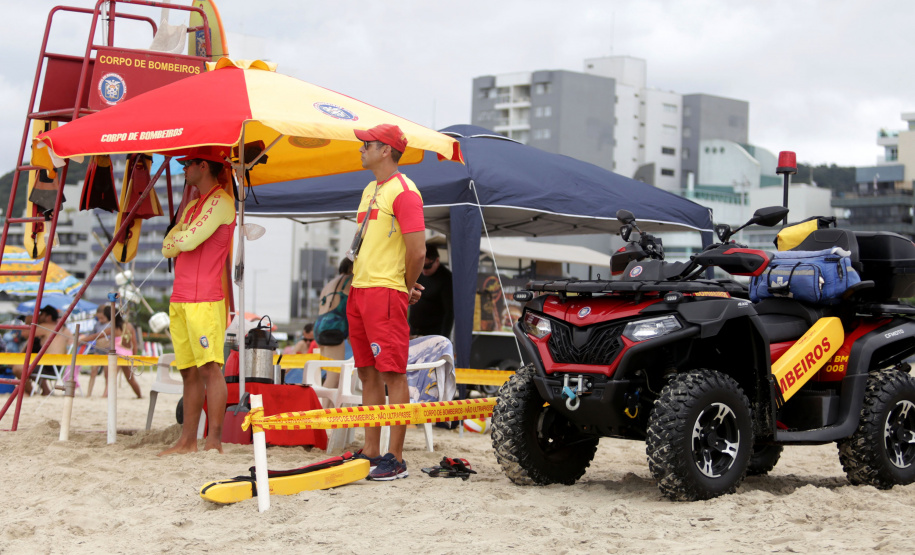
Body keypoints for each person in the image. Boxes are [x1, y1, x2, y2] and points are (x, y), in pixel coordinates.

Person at [347, 123, 425, 481]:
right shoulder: (370, 189)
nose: (361, 147)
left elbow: (418, 251)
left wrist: (404, 286)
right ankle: (371, 450)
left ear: (386, 151)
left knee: (392, 373)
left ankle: (395, 457)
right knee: (366, 371)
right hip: (360, 288)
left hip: (385, 290)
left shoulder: (406, 192)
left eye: (368, 143)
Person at [158, 145, 236, 456]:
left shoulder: (221, 201)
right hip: (180, 297)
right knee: (188, 371)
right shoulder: (192, 206)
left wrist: (180, 239)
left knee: (209, 369)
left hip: (205, 297)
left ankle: (213, 440)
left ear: (203, 166)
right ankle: (187, 440)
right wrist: (180, 239)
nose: (183, 169)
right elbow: (167, 246)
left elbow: (185, 240)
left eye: (188, 164)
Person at [12, 306, 74, 395]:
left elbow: (24, 333)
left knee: (18, 368)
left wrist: (29, 321)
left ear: (48, 317)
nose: (38, 316)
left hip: (50, 365)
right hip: (59, 367)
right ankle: (45, 390)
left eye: (41, 314)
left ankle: (29, 392)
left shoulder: (46, 327)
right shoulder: (63, 328)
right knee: (31, 364)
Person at [314, 258, 353, 388]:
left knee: (330, 373)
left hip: (320, 327)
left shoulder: (330, 283)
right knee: (334, 376)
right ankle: (324, 407)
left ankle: (327, 406)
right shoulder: (349, 280)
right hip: (333, 329)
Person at [95, 306, 142, 399]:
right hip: (126, 354)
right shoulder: (128, 326)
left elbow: (96, 336)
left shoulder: (114, 328)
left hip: (118, 355)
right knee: (130, 379)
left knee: (111, 376)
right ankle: (139, 395)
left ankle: (105, 394)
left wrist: (82, 340)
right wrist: (134, 357)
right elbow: (134, 345)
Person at [408, 243, 454, 338]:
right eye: (422, 266)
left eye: (428, 266)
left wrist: (444, 337)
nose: (424, 270)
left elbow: (449, 312)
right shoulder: (417, 273)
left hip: (433, 333)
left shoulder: (446, 278)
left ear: (437, 260)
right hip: (413, 329)